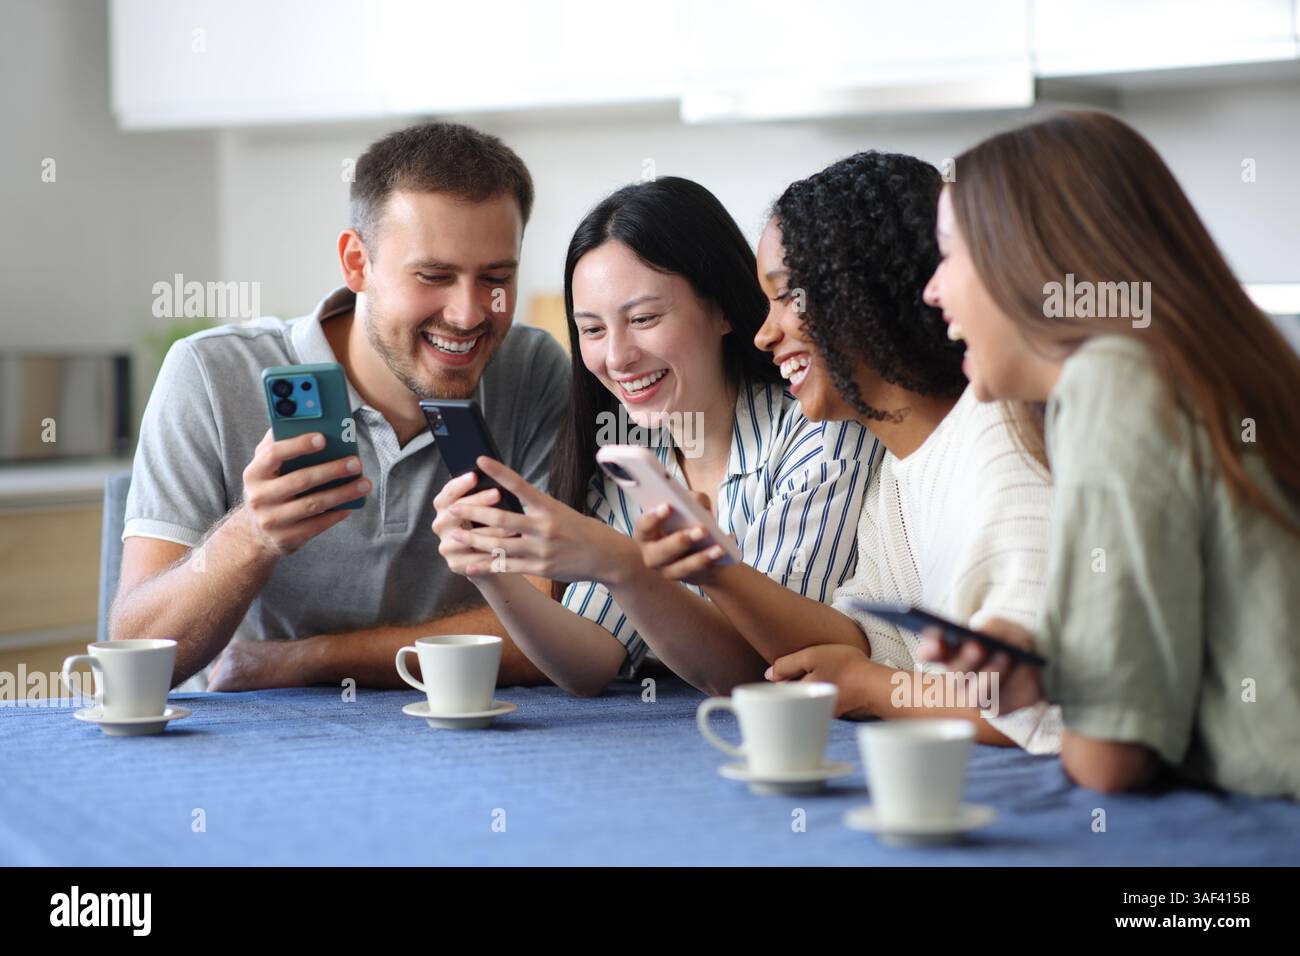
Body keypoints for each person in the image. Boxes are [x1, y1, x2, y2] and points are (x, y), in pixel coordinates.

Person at [112, 121, 569, 692]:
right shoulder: (211, 374)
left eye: (496, 278)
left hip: (461, 736)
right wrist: (252, 536)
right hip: (262, 747)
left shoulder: (533, 371)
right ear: (357, 263)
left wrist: (308, 660)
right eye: (434, 276)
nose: (468, 313)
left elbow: (557, 633)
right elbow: (134, 657)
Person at [921, 111, 1300, 797]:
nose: (932, 289)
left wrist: (1076, 706)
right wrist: (1042, 662)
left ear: (1026, 256)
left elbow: (1107, 760)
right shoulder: (1187, 365)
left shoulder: (1112, 382)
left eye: (949, 252)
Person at [634, 152, 1059, 751]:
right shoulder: (896, 473)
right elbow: (863, 639)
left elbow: (1035, 708)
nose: (764, 333)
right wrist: (717, 572)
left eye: (788, 297)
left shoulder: (1002, 446)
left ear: (866, 288)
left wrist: (871, 687)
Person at [432, 177, 878, 697]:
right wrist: (490, 568)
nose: (617, 358)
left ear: (723, 309)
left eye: (643, 319)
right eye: (592, 330)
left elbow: (765, 670)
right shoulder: (627, 455)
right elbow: (589, 663)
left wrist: (622, 565)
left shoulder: (819, 435)